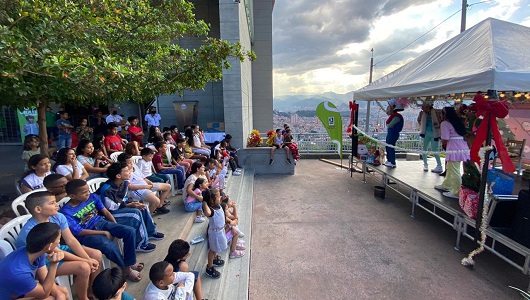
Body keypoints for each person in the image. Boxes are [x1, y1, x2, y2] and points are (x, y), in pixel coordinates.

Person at [16, 191, 102, 300]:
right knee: (84, 267)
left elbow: (70, 240)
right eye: (52, 203)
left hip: (57, 251)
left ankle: (92, 291)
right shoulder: (32, 231)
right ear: (38, 209)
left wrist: (87, 258)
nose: (57, 205)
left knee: (96, 254)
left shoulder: (58, 217)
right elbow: (55, 252)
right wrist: (86, 261)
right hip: (41, 263)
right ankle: (83, 298)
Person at [60, 179, 144, 282]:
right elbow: (79, 232)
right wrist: (103, 232)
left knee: (129, 231)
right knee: (107, 245)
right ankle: (126, 269)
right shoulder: (66, 212)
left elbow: (105, 212)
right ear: (72, 196)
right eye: (84, 192)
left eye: (88, 191)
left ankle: (129, 262)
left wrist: (115, 225)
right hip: (86, 236)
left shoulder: (92, 197)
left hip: (101, 222)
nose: (88, 193)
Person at [100, 162, 166, 247]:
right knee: (135, 214)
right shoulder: (107, 189)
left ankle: (150, 232)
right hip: (109, 214)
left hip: (120, 207)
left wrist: (132, 203)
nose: (130, 172)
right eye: (127, 171)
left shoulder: (124, 183)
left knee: (143, 207)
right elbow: (111, 207)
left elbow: (125, 198)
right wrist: (130, 205)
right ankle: (141, 244)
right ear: (118, 176)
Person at [0, 222, 69, 299]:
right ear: (49, 246)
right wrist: (54, 265)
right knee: (52, 298)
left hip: (16, 292)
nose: (59, 241)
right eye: (58, 239)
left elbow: (45, 281)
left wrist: (59, 294)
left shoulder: (36, 251)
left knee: (63, 291)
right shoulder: (20, 273)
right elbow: (44, 293)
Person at [202, 188, 244, 279]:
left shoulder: (219, 206)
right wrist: (204, 202)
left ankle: (215, 258)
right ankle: (209, 267)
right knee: (212, 249)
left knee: (216, 248)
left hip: (220, 231)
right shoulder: (211, 211)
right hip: (215, 234)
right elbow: (207, 212)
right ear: (212, 201)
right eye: (217, 197)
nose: (219, 198)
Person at [434, 107, 470, 199]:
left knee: (454, 170)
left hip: (454, 147)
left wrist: (443, 143)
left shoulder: (445, 123)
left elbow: (445, 138)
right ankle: (447, 185)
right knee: (450, 167)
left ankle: (457, 192)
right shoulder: (457, 121)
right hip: (462, 146)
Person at [417, 103, 443, 173]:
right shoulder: (422, 113)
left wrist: (438, 125)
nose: (422, 109)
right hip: (426, 133)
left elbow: (442, 120)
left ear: (428, 106)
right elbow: (419, 120)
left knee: (434, 150)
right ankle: (425, 164)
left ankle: (439, 165)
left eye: (424, 107)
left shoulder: (437, 112)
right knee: (424, 149)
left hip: (435, 133)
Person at [383, 100, 404, 168]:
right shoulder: (395, 116)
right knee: (388, 146)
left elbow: (389, 125)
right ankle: (389, 160)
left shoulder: (396, 117)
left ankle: (392, 161)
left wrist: (390, 125)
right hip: (391, 133)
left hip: (393, 133)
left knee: (390, 147)